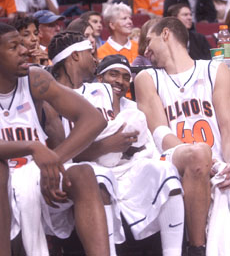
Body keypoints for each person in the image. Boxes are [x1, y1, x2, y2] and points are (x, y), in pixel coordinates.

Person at [48, 34, 185, 256]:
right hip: (85, 169)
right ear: (74, 56)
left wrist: (126, 143)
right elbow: (61, 155)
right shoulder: (51, 97)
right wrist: (106, 146)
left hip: (118, 163)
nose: (95, 59)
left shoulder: (102, 90)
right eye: (90, 53)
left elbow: (115, 131)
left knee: (165, 171)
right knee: (99, 179)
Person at [0, 22, 110, 256]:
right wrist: (32, 146)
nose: (24, 50)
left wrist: (53, 161)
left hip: (37, 174)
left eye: (23, 44)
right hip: (5, 176)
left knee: (83, 174)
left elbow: (94, 119)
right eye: (14, 46)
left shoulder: (34, 79)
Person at [134, 16, 230, 255]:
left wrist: (227, 165)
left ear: (166, 34)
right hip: (174, 163)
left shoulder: (214, 69)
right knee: (198, 156)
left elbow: (227, 126)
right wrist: (212, 164)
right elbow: (160, 134)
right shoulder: (147, 78)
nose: (145, 51)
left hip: (218, 165)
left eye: (149, 41)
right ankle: (196, 248)